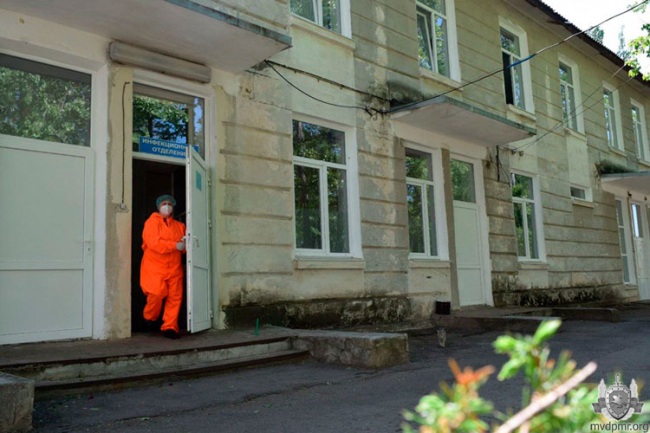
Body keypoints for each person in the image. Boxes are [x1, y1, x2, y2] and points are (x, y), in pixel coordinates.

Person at [140, 194, 186, 339]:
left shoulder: (180, 226)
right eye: (164, 204)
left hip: (175, 267)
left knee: (175, 297)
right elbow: (153, 243)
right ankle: (149, 318)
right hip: (154, 266)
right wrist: (174, 245)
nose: (167, 206)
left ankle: (170, 327)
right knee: (156, 293)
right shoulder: (151, 223)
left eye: (170, 204)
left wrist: (185, 246)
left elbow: (185, 245)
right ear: (158, 207)